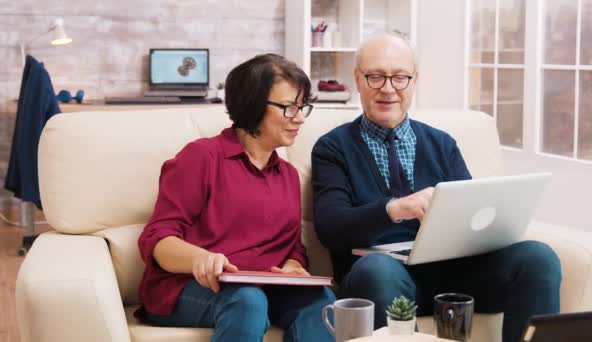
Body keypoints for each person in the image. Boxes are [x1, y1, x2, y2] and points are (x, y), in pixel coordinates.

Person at [311, 33, 561, 342]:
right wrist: (394, 209)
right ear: (358, 79)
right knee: (377, 268)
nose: (388, 88)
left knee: (538, 256)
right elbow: (330, 227)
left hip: (452, 275)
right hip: (380, 278)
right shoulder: (332, 148)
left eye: (400, 77)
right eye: (376, 76)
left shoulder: (442, 144)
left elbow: (472, 218)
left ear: (414, 80)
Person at [138, 53, 335, 342]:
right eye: (289, 108)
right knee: (247, 300)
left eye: (302, 107)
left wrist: (293, 265)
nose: (299, 118)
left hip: (261, 286)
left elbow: (291, 247)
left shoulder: (289, 175)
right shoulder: (202, 157)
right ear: (253, 105)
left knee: (320, 300)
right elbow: (156, 237)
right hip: (189, 287)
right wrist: (201, 259)